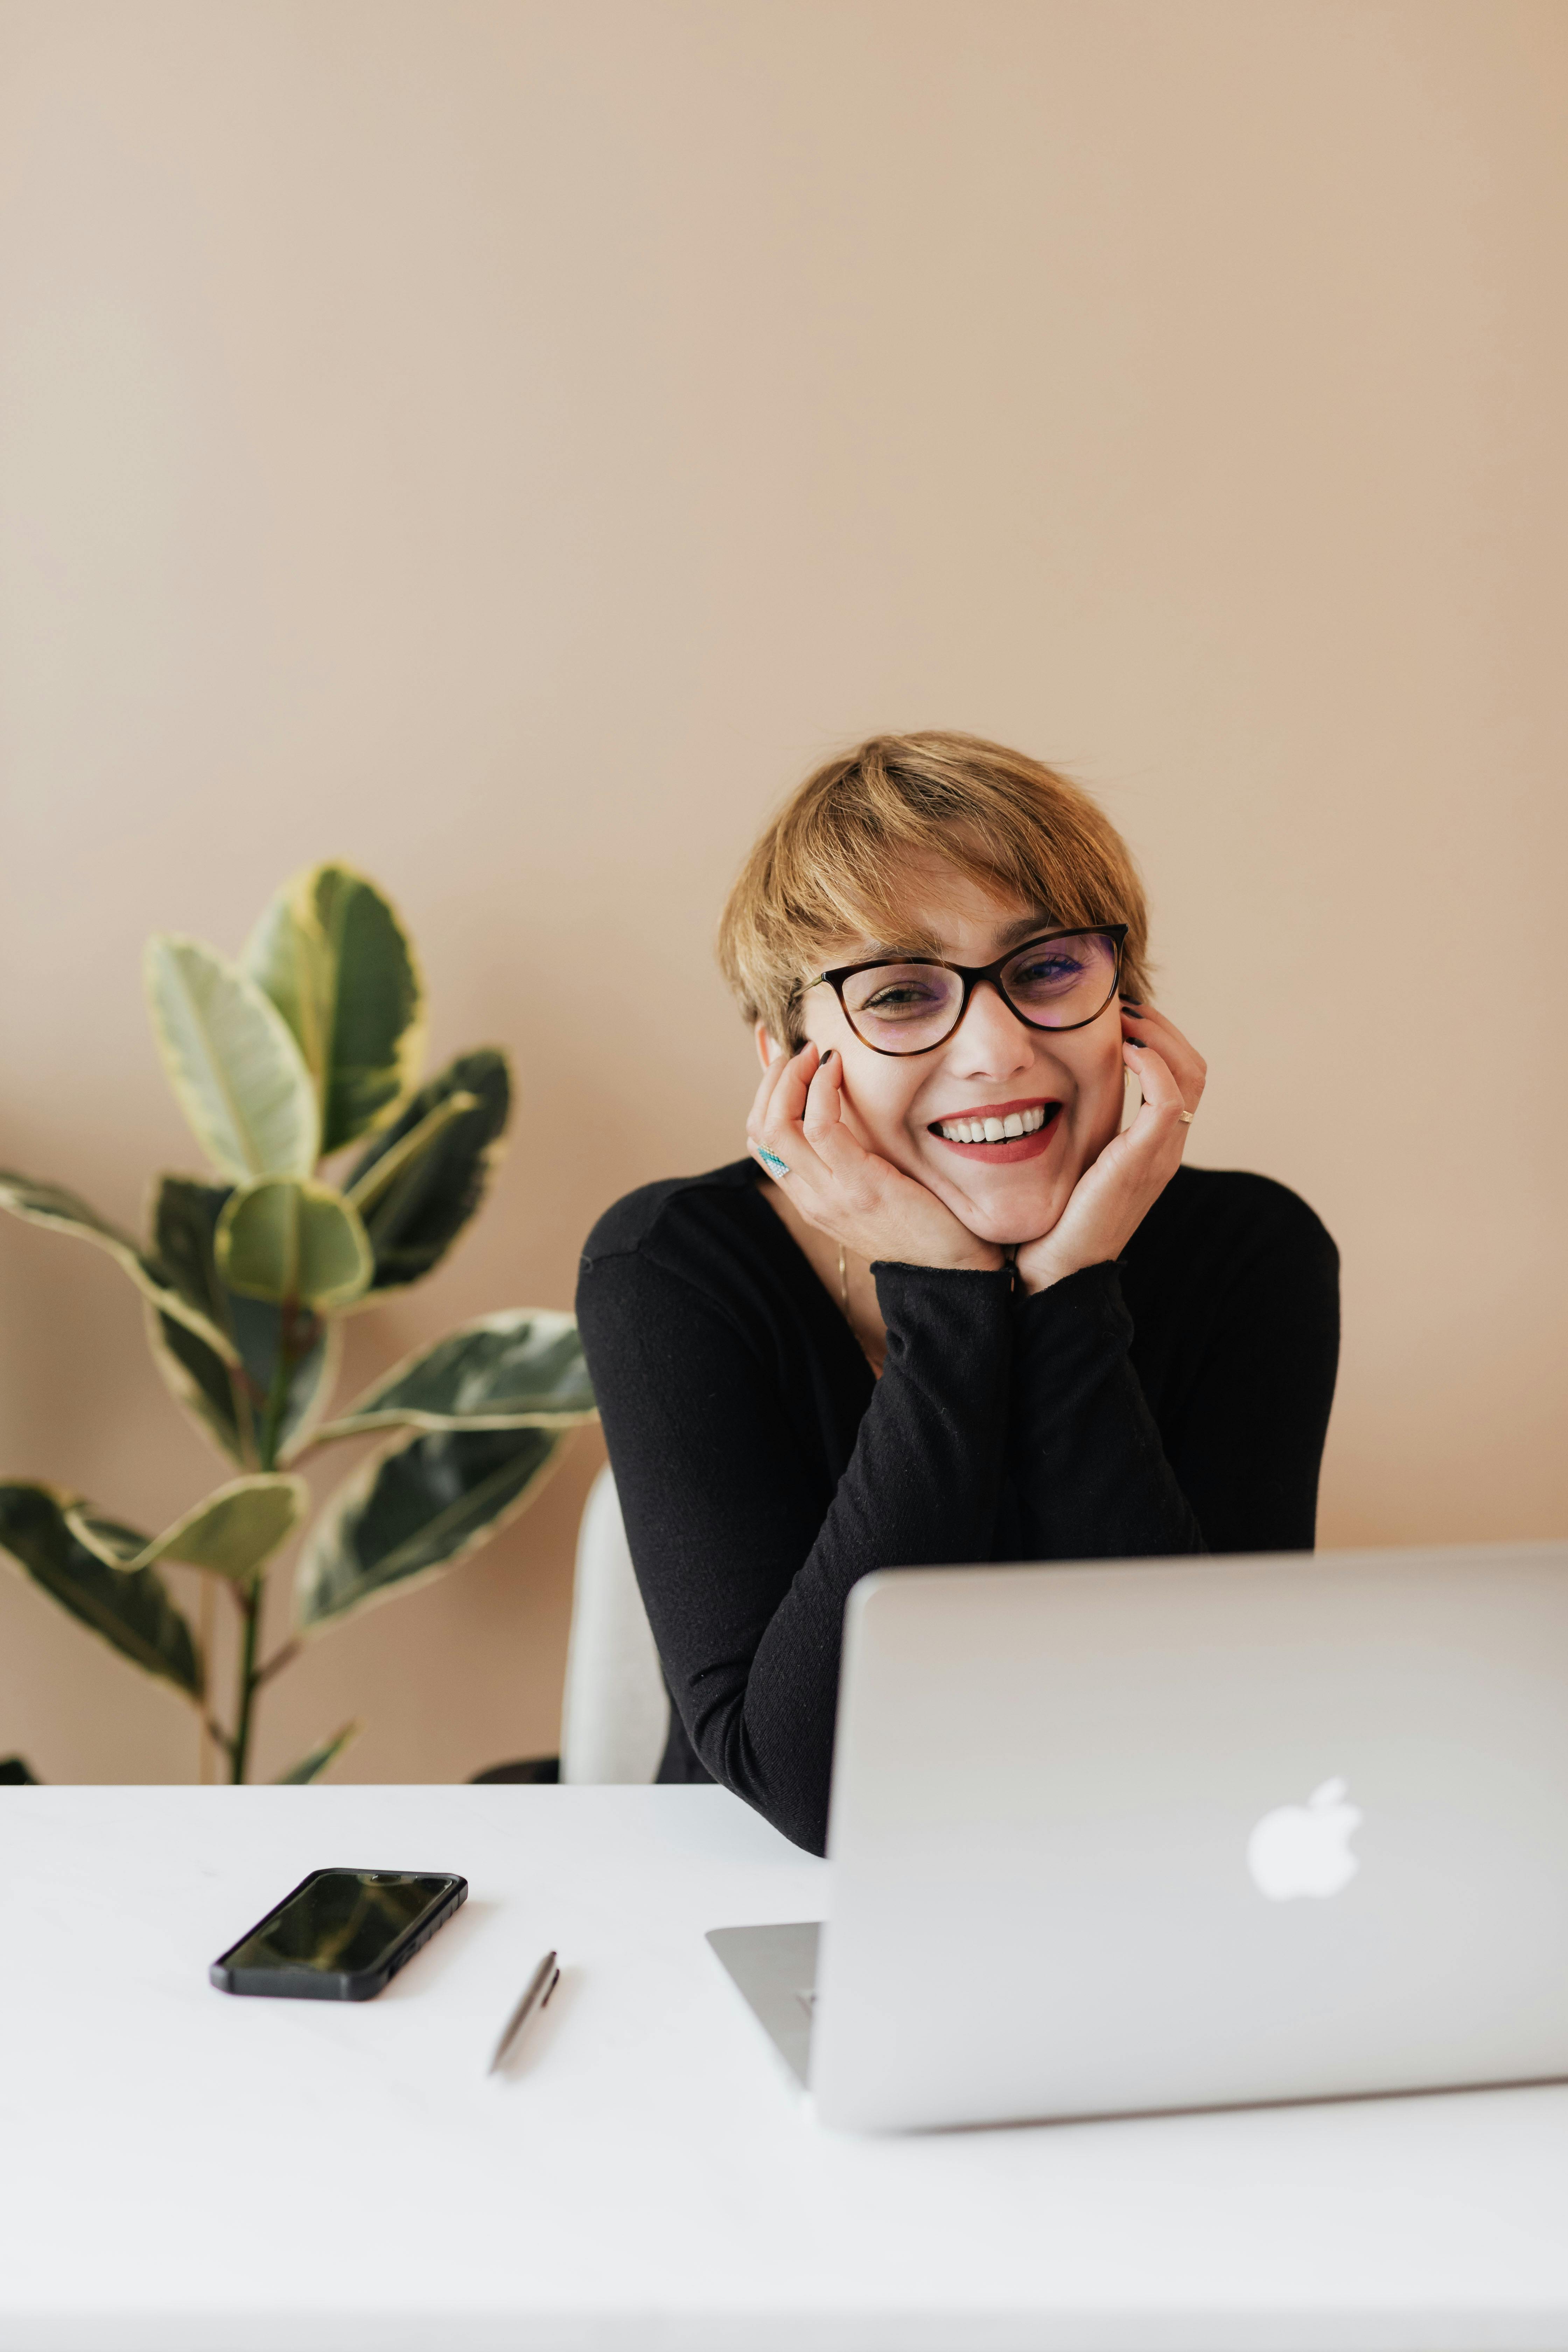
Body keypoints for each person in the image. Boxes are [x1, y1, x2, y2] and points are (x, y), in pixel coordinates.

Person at [576, 733, 1339, 1854]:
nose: (994, 1050)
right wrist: (945, 1295)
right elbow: (812, 1791)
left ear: (1128, 1003)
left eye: (1044, 971)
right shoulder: (672, 1267)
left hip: (1130, 1881)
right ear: (791, 1057)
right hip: (760, 1905)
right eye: (898, 995)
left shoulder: (1252, 1251)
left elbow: (1217, 1736)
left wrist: (1069, 1292)